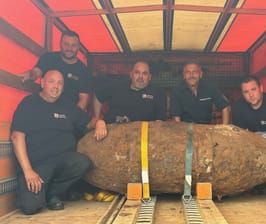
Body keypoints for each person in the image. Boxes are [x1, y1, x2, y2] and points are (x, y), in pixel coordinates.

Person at [11, 70, 107, 215]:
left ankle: (52, 193)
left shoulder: (68, 106)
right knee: (30, 207)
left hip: (62, 163)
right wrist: (28, 171)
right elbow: (17, 137)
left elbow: (89, 122)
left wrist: (100, 122)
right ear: (42, 83)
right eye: (51, 81)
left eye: (60, 83)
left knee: (82, 162)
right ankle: (47, 195)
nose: (56, 86)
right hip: (37, 167)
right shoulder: (29, 104)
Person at [20, 30, 91, 111]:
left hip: (67, 113)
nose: (69, 48)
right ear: (60, 43)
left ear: (78, 47)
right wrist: (30, 74)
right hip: (43, 107)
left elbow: (83, 99)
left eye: (73, 45)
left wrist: (74, 118)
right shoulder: (48, 58)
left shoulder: (84, 71)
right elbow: (36, 72)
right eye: (66, 44)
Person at [93, 61, 167, 122]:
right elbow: (98, 96)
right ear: (131, 74)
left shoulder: (158, 92)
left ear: (150, 77)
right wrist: (97, 120)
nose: (140, 77)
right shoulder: (117, 85)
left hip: (143, 134)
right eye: (137, 72)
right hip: (112, 130)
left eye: (144, 73)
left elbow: (159, 121)